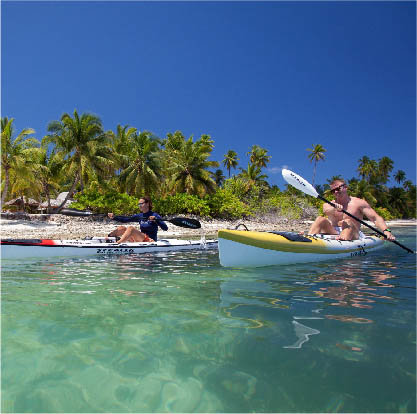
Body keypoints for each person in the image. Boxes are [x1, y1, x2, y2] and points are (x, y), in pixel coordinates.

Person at [308, 178, 396, 241]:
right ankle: (308, 239)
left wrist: (386, 231)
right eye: (333, 191)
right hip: (333, 232)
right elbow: (326, 211)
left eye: (338, 188)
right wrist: (334, 208)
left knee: (347, 221)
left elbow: (375, 218)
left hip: (354, 234)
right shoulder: (328, 204)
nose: (335, 192)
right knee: (320, 219)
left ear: (345, 187)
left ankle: (343, 245)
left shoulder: (359, 203)